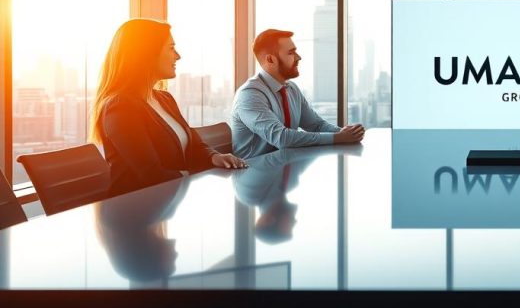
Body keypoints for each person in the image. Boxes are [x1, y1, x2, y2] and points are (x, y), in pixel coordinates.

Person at [90, 19, 247, 194]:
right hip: (135, 210)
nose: (178, 56)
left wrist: (214, 157)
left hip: (168, 202)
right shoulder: (120, 107)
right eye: (171, 48)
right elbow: (152, 174)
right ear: (147, 54)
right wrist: (201, 178)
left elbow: (194, 144)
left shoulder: (164, 98)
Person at [230, 29, 365, 159]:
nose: (299, 57)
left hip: (284, 168)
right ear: (270, 60)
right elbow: (282, 138)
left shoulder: (291, 88)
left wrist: (346, 133)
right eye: (291, 53)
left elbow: (316, 125)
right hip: (253, 174)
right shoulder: (249, 95)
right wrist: (339, 138)